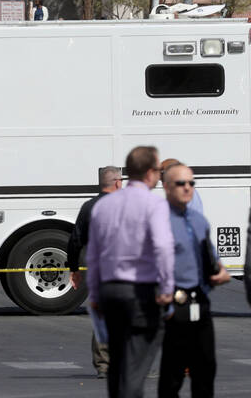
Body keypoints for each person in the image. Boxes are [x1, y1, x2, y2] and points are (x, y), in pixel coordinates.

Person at [86, 146, 174, 398]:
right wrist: (167, 288)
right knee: (136, 363)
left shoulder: (104, 206)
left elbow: (94, 254)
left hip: (110, 289)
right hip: (141, 290)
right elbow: (163, 247)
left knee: (117, 360)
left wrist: (94, 294)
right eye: (157, 170)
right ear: (149, 172)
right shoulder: (155, 204)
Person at [158, 162, 230, 398]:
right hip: (174, 303)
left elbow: (209, 255)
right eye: (181, 183)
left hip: (201, 301)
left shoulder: (199, 221)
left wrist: (219, 272)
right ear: (167, 186)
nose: (188, 188)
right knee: (172, 374)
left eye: (191, 183)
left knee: (205, 369)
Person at [68, 165, 122, 378]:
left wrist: (73, 269)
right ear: (117, 182)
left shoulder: (89, 207)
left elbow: (75, 240)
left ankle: (103, 365)